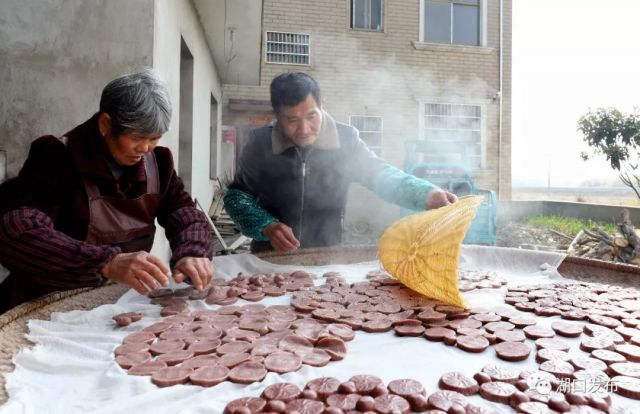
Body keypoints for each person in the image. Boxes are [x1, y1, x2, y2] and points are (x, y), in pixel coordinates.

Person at [0, 68, 213, 312]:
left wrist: (193, 251)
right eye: (137, 137)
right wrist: (105, 263)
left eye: (154, 138)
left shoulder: (159, 163)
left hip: (115, 304)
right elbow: (17, 232)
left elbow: (182, 212)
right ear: (105, 124)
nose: (145, 148)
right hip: (47, 304)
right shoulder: (56, 157)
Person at [224, 72, 457, 253]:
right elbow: (236, 197)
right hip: (269, 258)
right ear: (277, 115)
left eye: (311, 116)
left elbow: (379, 174)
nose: (304, 129)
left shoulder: (346, 140)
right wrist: (267, 226)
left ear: (322, 105)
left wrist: (425, 193)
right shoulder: (260, 143)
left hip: (327, 253)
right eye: (292, 120)